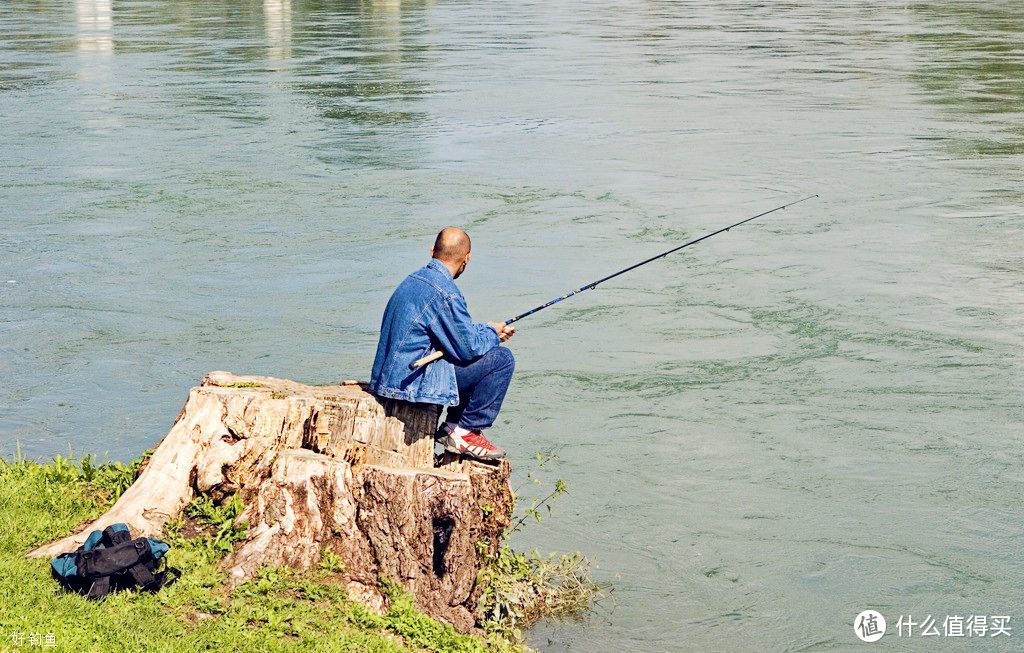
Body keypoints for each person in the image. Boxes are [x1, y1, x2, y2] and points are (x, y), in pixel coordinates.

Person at [369, 227, 516, 461]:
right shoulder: (446, 292)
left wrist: (487, 330)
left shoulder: (415, 280)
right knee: (501, 359)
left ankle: (453, 429)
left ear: (432, 251)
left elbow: (454, 333)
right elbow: (467, 349)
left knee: (485, 350)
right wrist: (491, 336)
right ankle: (465, 431)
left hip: (391, 377)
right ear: (466, 258)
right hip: (410, 385)